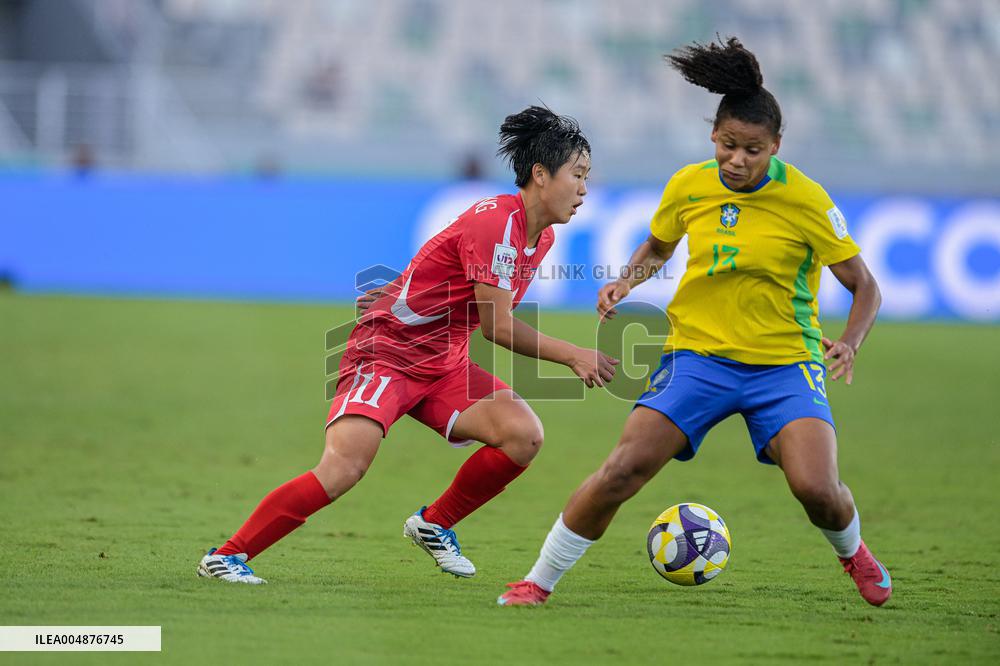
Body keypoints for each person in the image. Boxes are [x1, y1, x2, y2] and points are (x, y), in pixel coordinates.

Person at [498, 38, 892, 607]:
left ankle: (853, 552)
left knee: (816, 488)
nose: (737, 159)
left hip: (785, 364)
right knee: (621, 470)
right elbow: (659, 245)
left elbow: (865, 286)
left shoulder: (806, 199)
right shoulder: (690, 185)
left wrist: (851, 342)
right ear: (714, 136)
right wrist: (627, 279)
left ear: (776, 146)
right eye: (728, 145)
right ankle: (538, 581)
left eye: (752, 150)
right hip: (696, 358)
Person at [198, 106, 618, 584]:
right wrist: (574, 354)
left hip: (443, 361)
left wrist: (400, 291)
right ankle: (226, 556)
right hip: (388, 354)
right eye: (578, 175)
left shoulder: (535, 236)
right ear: (540, 175)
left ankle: (435, 523)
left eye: (588, 177)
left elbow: (446, 268)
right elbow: (497, 327)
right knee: (343, 468)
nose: (586, 189)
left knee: (524, 436)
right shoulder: (498, 222)